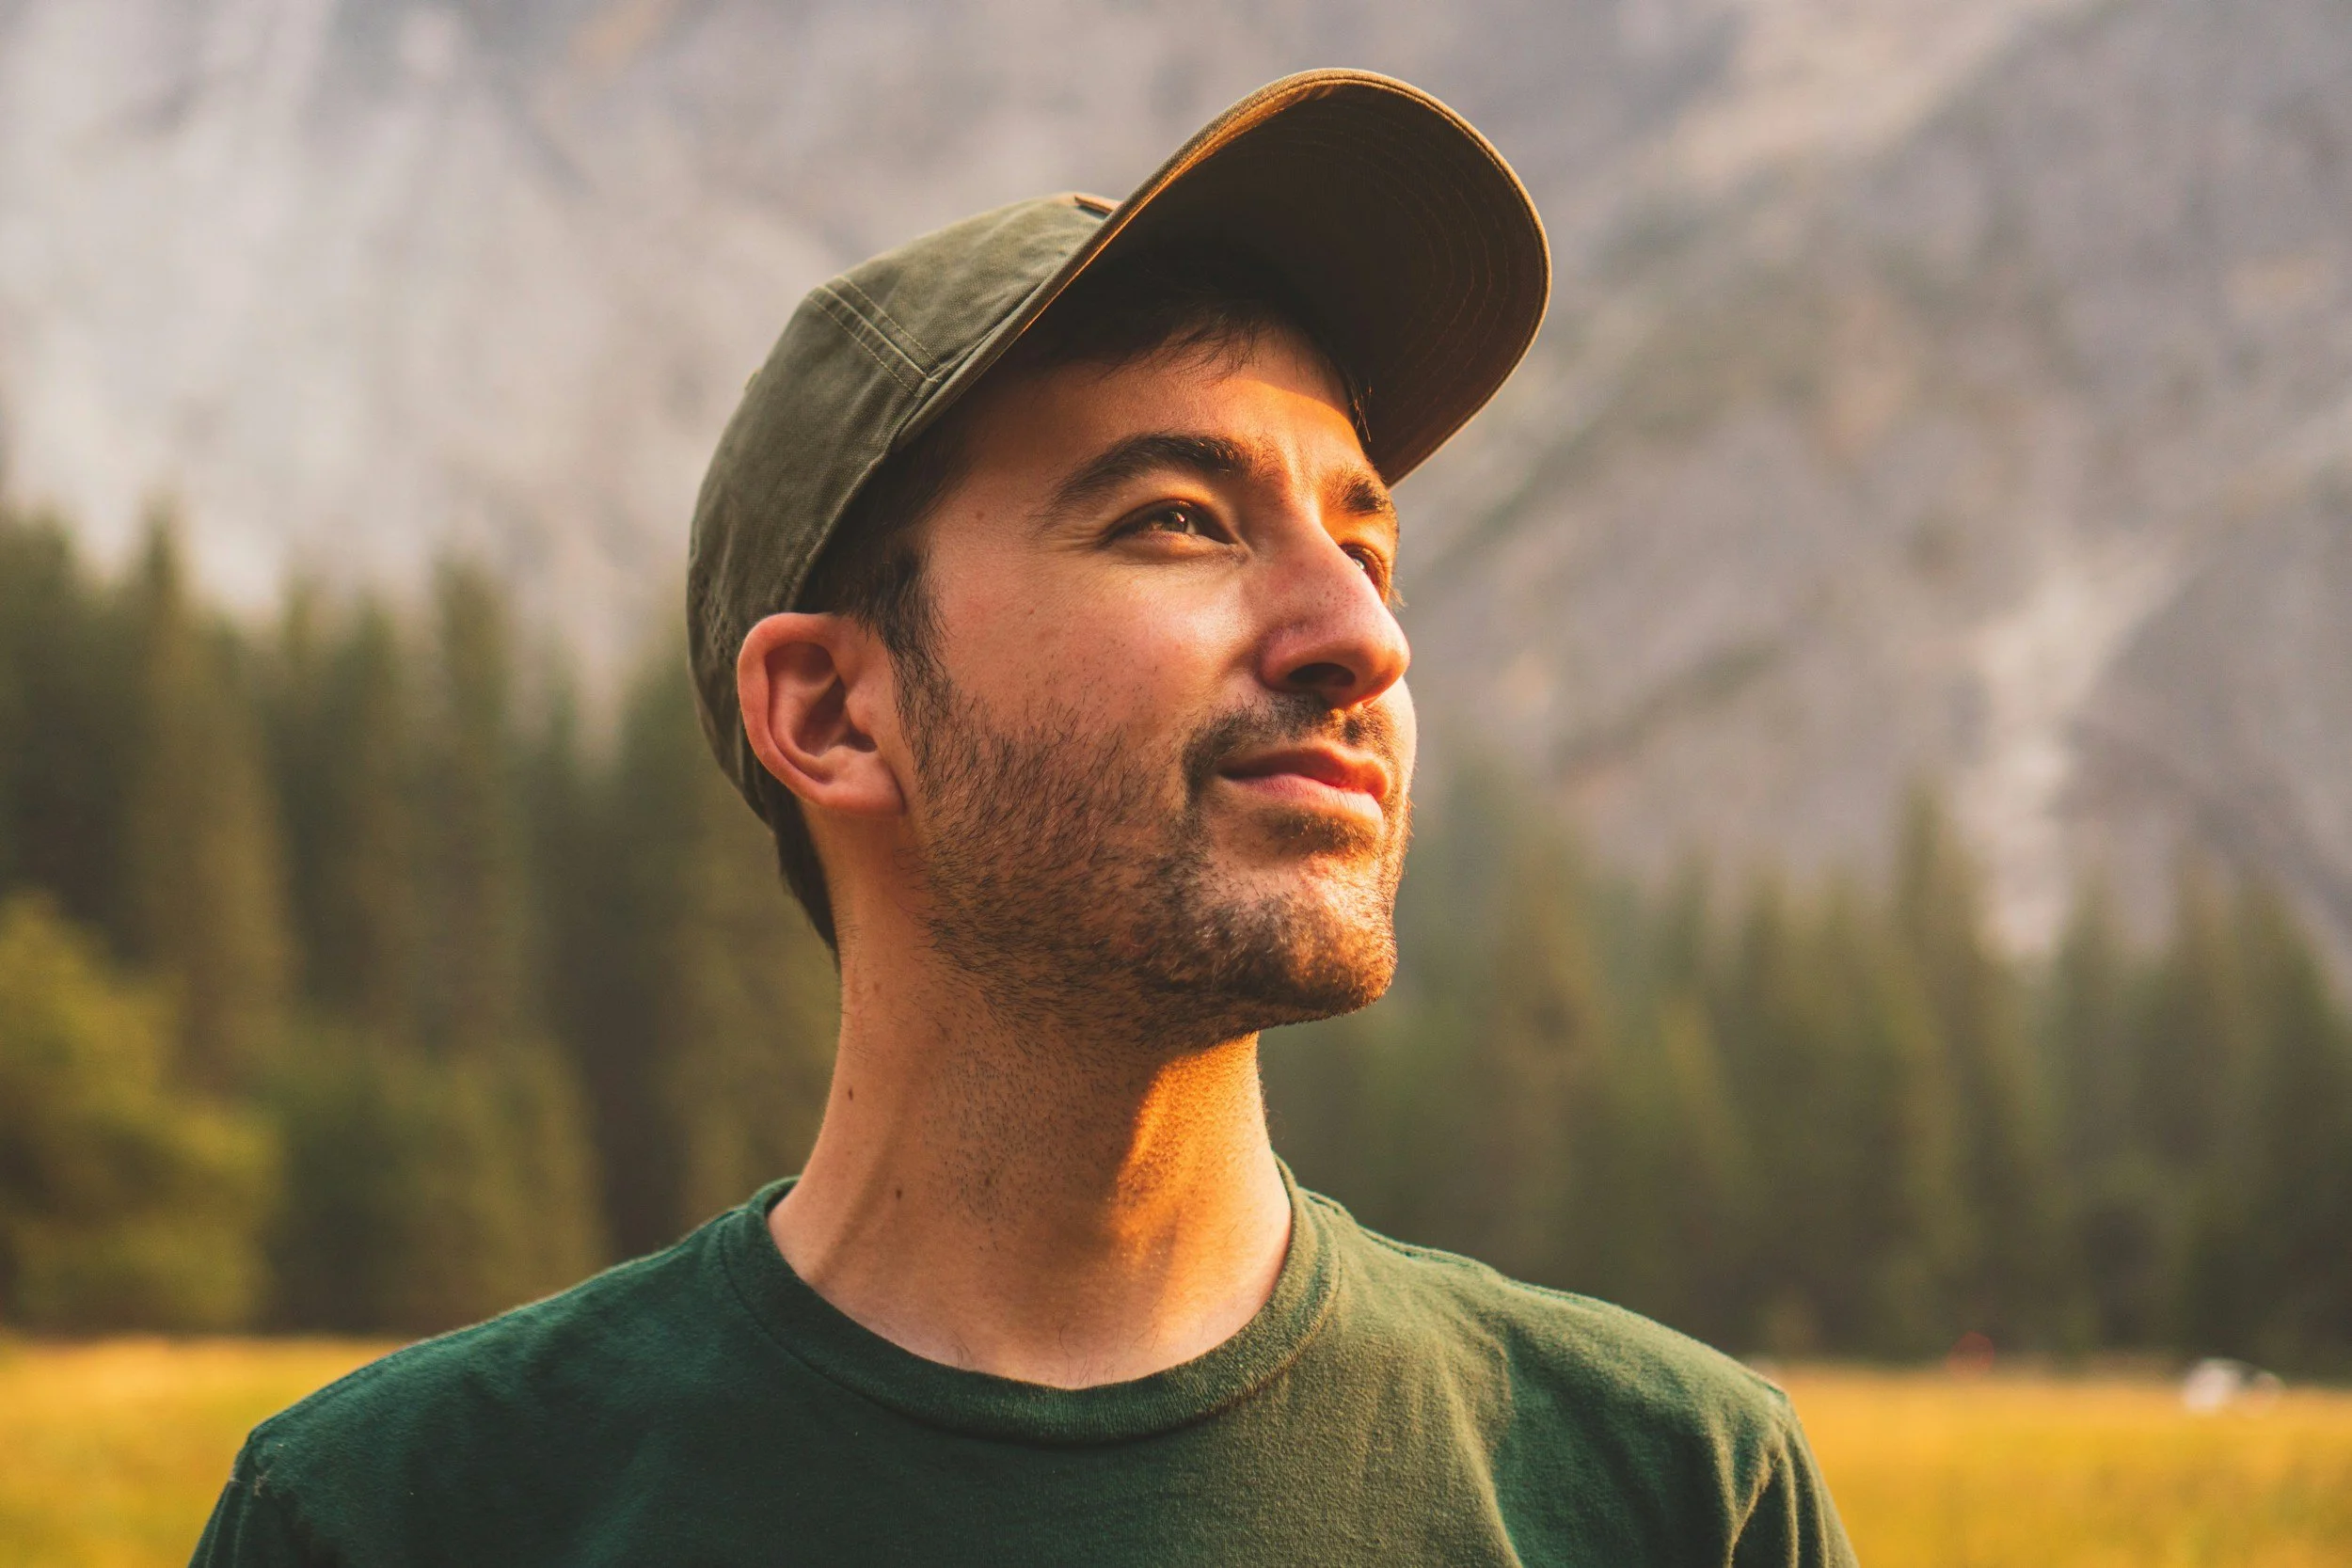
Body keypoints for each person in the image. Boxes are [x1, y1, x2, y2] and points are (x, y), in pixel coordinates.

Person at [193, 71, 1854, 1566]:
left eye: (1369, 546)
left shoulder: (1676, 1498)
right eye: (1178, 519)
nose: (1363, 634)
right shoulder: (396, 1517)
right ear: (832, 712)